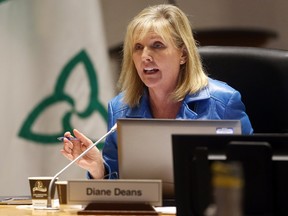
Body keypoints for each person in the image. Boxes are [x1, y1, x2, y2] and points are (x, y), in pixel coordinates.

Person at [60, 4, 253, 180]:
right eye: (138, 47)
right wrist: (98, 170)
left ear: (183, 55)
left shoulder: (223, 102)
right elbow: (118, 189)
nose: (145, 56)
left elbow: (254, 173)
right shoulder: (120, 109)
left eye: (157, 45)